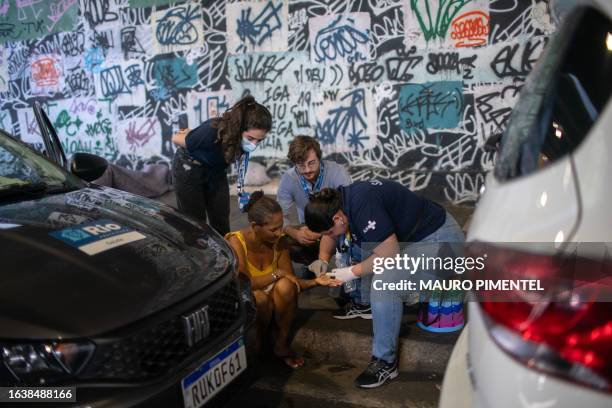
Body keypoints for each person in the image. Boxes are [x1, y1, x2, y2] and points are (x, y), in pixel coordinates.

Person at [304, 180, 465, 388]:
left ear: (337, 217)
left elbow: (389, 253)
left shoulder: (362, 205)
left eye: (328, 233)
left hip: (442, 243)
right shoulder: (339, 203)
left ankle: (385, 362)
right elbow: (330, 232)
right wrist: (323, 259)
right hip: (417, 239)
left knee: (384, 283)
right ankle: (365, 303)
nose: (327, 237)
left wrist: (350, 273)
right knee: (359, 246)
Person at [225, 191, 341, 368]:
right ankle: (259, 344)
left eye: (281, 226)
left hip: (276, 304)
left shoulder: (279, 242)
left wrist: (316, 282)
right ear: (255, 226)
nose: (280, 233)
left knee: (286, 286)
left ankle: (281, 344)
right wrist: (276, 274)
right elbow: (245, 284)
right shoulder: (236, 241)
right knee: (260, 298)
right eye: (274, 229)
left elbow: (292, 281)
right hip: (253, 303)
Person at [276, 136, 365, 318]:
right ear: (294, 164)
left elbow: (347, 215)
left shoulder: (337, 173)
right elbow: (279, 218)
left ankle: (353, 287)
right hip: (307, 230)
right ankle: (312, 267)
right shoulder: (288, 179)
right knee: (283, 239)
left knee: (352, 243)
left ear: (319, 157)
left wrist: (322, 232)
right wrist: (295, 232)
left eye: (312, 163)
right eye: (301, 166)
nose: (307, 170)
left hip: (336, 228)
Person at [171, 96, 272, 236]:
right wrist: (191, 136)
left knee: (221, 220)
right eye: (250, 138)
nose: (254, 144)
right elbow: (176, 138)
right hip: (188, 168)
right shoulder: (212, 130)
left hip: (215, 170)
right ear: (239, 128)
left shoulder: (240, 139)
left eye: (259, 140)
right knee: (194, 224)